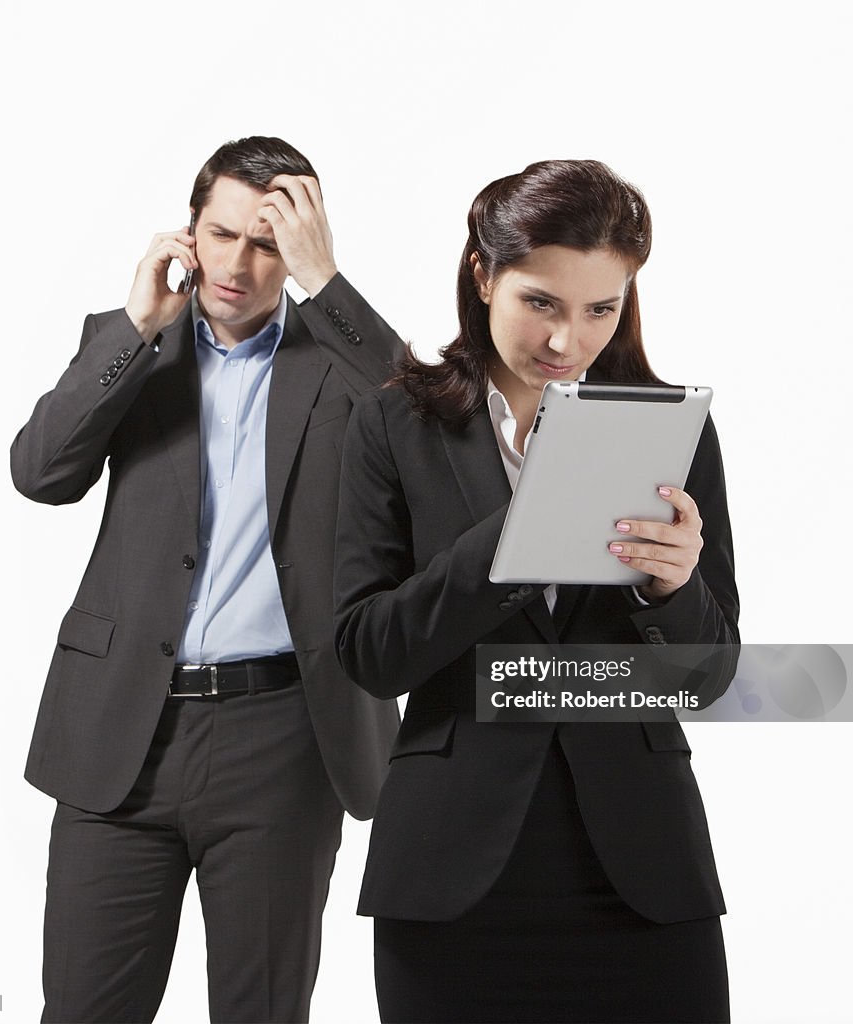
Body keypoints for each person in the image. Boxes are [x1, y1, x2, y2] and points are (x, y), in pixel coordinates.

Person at [333, 159, 739, 1023]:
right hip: (449, 869)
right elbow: (369, 652)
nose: (568, 341)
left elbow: (709, 677)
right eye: (540, 303)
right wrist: (518, 530)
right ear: (482, 275)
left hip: (641, 864)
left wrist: (671, 590)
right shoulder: (391, 425)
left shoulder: (671, 430)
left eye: (601, 309)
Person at [11, 136, 402, 1024]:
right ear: (189, 231)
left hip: (282, 740)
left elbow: (428, 437)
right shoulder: (131, 347)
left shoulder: (341, 366)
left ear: (296, 254)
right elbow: (39, 472)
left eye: (266, 246)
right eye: (220, 234)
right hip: (120, 732)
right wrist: (136, 324)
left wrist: (328, 285)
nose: (236, 264)